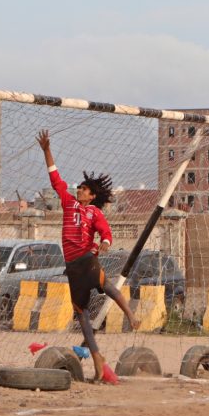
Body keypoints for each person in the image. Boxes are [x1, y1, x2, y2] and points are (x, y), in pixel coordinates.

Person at [36, 129, 139, 382]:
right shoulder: (68, 202)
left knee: (106, 285)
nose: (79, 190)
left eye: (84, 189)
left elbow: (106, 232)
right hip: (71, 265)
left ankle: (130, 315)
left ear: (92, 196)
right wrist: (47, 150)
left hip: (86, 257)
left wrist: (105, 242)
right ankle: (97, 359)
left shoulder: (94, 212)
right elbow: (55, 178)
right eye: (79, 187)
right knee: (81, 314)